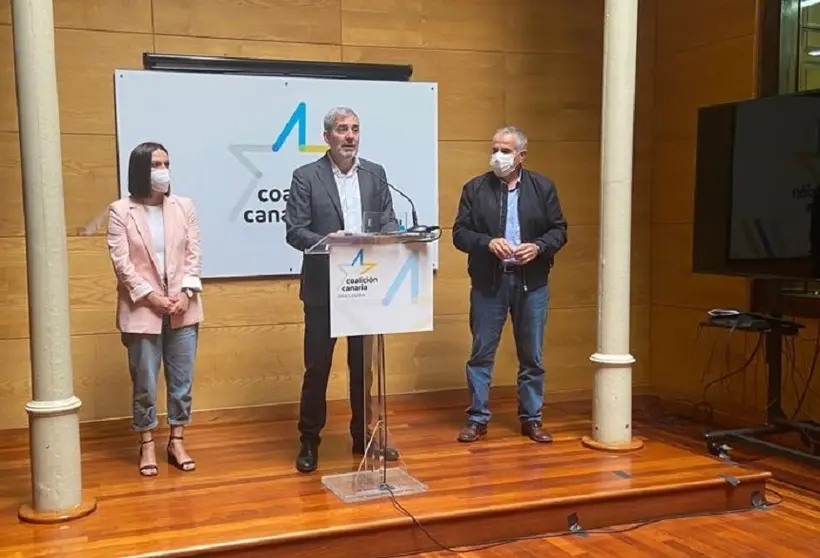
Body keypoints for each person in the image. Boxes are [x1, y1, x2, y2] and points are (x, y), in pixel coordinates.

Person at [284, 106, 400, 473]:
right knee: (317, 369)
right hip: (323, 289)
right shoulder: (306, 176)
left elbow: (390, 219)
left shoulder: (375, 174)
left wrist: (391, 233)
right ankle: (309, 441)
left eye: (354, 129)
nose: (349, 136)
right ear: (327, 137)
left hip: (364, 286)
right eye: (341, 129)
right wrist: (332, 242)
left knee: (361, 369)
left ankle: (361, 435)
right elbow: (295, 230)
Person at [452, 126, 568, 444]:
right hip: (490, 282)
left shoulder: (543, 188)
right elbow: (459, 234)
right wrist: (488, 242)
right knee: (481, 353)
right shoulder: (474, 189)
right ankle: (477, 418)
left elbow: (559, 230)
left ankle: (531, 418)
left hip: (532, 283)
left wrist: (539, 247)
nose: (498, 156)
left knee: (532, 355)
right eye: (495, 149)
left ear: (522, 156)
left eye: (505, 151)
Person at [106, 141, 204, 476]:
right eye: (156, 165)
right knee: (145, 380)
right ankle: (147, 442)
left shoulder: (184, 206)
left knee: (182, 379)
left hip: (182, 306)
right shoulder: (121, 210)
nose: (163, 171)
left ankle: (177, 439)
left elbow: (194, 252)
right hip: (142, 308)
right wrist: (152, 297)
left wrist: (185, 294)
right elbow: (122, 264)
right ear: (139, 170)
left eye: (166, 163)